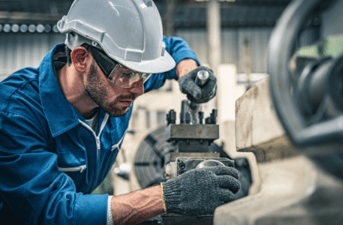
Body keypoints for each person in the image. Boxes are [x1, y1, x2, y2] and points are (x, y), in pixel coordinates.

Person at [0, 0, 241, 224]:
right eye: (128, 74)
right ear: (81, 58)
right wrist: (168, 197)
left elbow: (172, 47)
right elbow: (51, 210)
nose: (139, 89)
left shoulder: (118, 80)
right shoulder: (15, 112)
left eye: (144, 74)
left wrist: (189, 69)